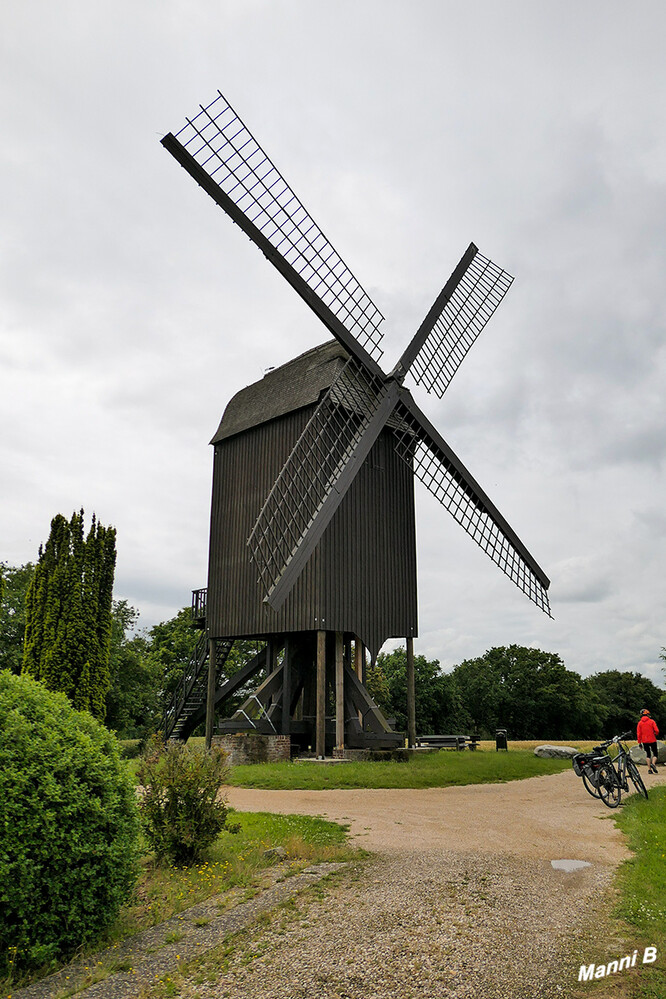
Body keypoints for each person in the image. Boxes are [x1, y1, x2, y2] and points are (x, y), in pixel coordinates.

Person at [636, 709, 659, 774]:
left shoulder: (640, 723)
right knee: (655, 753)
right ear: (648, 714)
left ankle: (649, 770)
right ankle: (653, 764)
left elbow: (639, 734)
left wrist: (639, 743)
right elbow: (657, 730)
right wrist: (655, 734)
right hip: (652, 739)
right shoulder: (652, 721)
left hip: (644, 741)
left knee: (648, 754)